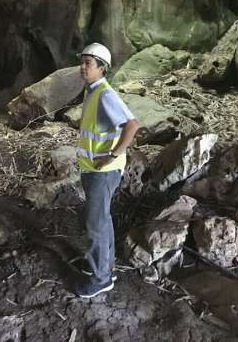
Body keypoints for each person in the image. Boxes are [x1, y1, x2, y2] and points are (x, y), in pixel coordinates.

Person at [72, 42, 140, 298]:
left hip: (104, 171)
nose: (82, 67)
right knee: (102, 219)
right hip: (93, 170)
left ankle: (101, 279)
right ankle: (106, 264)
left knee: (94, 224)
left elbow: (132, 125)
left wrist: (113, 154)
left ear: (102, 68)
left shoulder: (105, 94)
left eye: (88, 63)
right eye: (82, 61)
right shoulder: (92, 91)